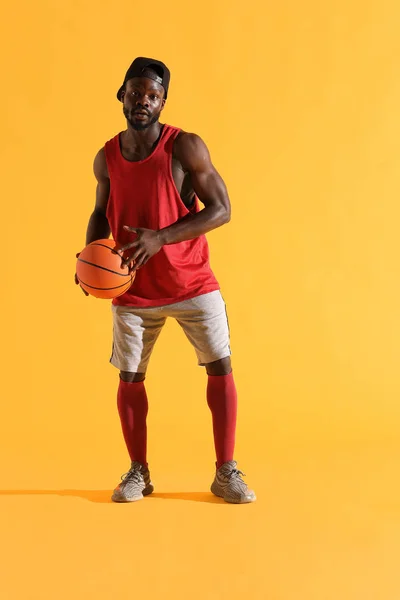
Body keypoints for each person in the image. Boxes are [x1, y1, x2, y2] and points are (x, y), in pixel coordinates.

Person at [76, 57, 256, 504]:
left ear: (163, 102)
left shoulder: (185, 147)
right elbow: (101, 213)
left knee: (220, 366)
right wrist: (88, 260)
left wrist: (162, 237)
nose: (144, 101)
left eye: (153, 95)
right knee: (131, 378)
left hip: (192, 282)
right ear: (122, 95)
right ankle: (138, 472)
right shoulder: (107, 156)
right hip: (132, 289)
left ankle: (225, 471)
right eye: (136, 92)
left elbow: (222, 209)